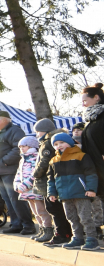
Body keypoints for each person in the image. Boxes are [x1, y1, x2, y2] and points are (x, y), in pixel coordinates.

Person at [47, 132, 99, 251]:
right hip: (64, 194)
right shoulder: (53, 160)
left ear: (69, 143)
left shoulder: (81, 156)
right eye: (55, 144)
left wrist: (91, 189)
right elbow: (51, 179)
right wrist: (52, 192)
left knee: (85, 216)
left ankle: (92, 239)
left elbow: (91, 173)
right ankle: (77, 238)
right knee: (71, 217)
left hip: (81, 192)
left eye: (62, 142)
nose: (59, 145)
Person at [0, 110, 35, 235]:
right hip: (0, 171)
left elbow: (18, 148)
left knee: (15, 198)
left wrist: (5, 161)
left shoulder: (14, 130)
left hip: (9, 170)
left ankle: (28, 225)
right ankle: (16, 224)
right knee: (8, 199)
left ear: (4, 119)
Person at [33, 118, 73, 246]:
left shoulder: (47, 143)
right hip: (53, 179)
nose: (37, 134)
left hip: (49, 180)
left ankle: (62, 234)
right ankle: (66, 233)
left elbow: (44, 162)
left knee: (54, 208)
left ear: (44, 131)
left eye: (38, 131)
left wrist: (35, 174)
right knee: (57, 208)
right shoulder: (49, 141)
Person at [14, 136, 52, 239]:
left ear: (31, 146)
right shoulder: (23, 159)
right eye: (20, 146)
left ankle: (48, 229)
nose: (21, 148)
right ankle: (41, 229)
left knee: (41, 211)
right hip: (26, 191)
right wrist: (17, 184)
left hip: (35, 190)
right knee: (35, 212)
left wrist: (25, 185)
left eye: (24, 146)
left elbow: (34, 175)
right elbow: (18, 173)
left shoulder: (34, 158)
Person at [79, 83, 104, 240]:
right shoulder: (91, 118)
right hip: (96, 167)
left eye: (85, 100)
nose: (83, 104)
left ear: (96, 97)